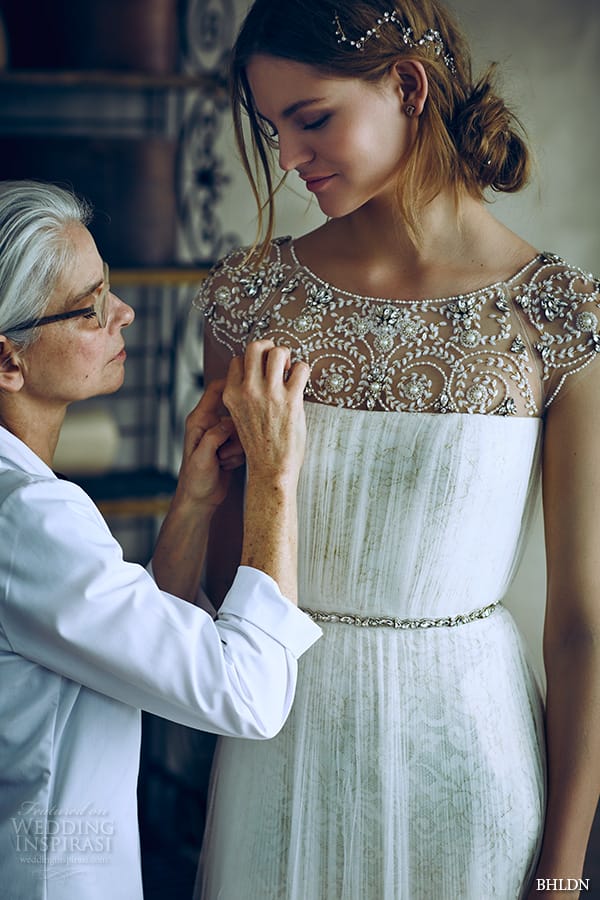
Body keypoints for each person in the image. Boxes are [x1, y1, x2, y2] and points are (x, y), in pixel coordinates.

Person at [192, 1, 600, 898]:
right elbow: (222, 590)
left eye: (313, 119)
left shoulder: (557, 316)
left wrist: (566, 866)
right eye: (274, 129)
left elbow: (580, 625)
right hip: (281, 748)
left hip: (473, 763)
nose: (291, 160)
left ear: (406, 87)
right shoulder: (249, 302)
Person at [0, 179, 321, 900]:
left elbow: (125, 650)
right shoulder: (28, 520)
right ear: (8, 361)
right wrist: (273, 478)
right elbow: (249, 696)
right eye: (90, 307)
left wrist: (195, 503)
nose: (125, 311)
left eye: (109, 285)